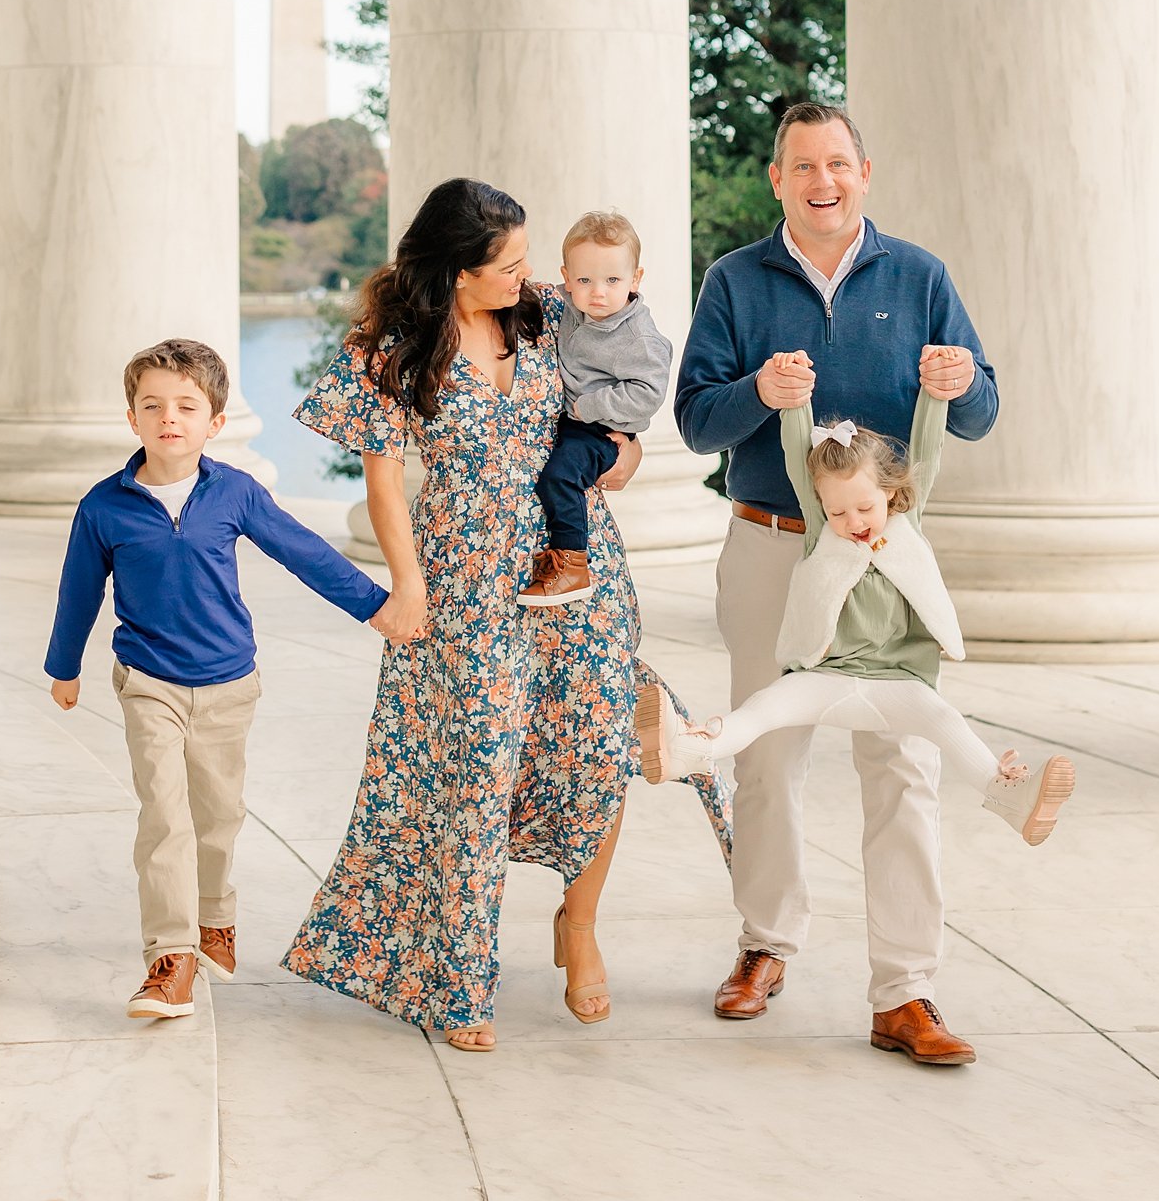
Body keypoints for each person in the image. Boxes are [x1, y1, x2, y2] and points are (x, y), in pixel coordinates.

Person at [283, 178, 731, 1053]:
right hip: (463, 580)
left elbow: (631, 383)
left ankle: (580, 925)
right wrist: (403, 588)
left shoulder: (555, 313)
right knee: (474, 772)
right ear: (458, 273)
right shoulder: (392, 346)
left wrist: (627, 450)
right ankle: (459, 976)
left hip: (575, 567)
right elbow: (383, 484)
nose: (530, 276)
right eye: (510, 263)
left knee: (600, 744)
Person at [674, 101, 999, 1066]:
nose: (823, 180)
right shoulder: (736, 280)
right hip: (771, 547)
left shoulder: (921, 275)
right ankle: (764, 947)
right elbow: (696, 422)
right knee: (767, 758)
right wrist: (755, 397)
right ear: (777, 179)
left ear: (867, 172)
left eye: (839, 164)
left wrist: (959, 381)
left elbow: (981, 409)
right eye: (803, 165)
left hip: (885, 558)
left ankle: (906, 991)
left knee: (902, 765)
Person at [641, 377, 1076, 1061]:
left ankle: (1010, 792)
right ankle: (693, 746)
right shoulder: (826, 530)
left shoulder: (906, 523)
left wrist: (935, 399)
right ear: (821, 509)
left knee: (944, 724)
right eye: (838, 512)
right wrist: (794, 406)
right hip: (826, 679)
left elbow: (928, 446)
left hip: (898, 686)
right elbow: (794, 453)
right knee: (763, 713)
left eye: (865, 507)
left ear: (894, 495)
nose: (854, 522)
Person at [44, 336, 396, 1021]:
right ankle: (169, 958)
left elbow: (304, 551)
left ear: (215, 423)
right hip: (149, 680)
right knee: (164, 818)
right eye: (153, 405)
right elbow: (77, 591)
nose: (168, 417)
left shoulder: (233, 492)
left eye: (186, 405)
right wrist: (64, 668)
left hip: (230, 682)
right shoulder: (104, 507)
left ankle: (215, 917)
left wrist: (375, 606)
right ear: (133, 420)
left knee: (217, 818)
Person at [518, 210, 672, 609]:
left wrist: (588, 406)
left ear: (636, 279)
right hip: (578, 421)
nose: (598, 292)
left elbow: (648, 394)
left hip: (601, 428)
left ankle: (572, 564)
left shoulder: (637, 337)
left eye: (613, 280)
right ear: (567, 278)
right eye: (585, 280)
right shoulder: (570, 305)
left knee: (560, 477)